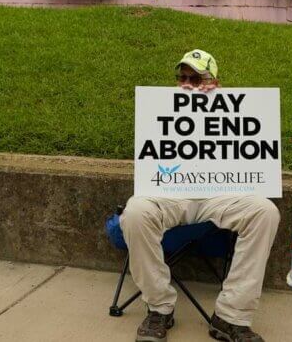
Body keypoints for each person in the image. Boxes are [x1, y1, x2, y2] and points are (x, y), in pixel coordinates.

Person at [120, 49, 280, 342]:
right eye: (182, 77)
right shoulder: (161, 108)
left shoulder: (240, 109)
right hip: (171, 192)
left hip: (220, 193)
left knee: (265, 211)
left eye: (197, 78)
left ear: (214, 83)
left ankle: (231, 317)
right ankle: (159, 309)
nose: (187, 83)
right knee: (135, 212)